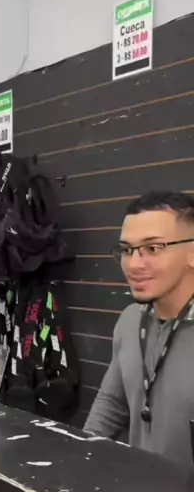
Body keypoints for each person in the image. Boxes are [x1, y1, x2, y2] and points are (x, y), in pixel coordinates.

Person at [85, 190, 194, 465]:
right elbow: (111, 405)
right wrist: (81, 459)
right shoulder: (130, 320)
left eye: (153, 249)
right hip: (136, 489)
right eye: (127, 250)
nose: (133, 264)